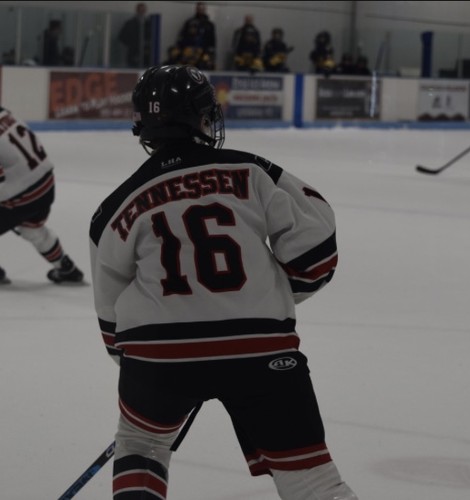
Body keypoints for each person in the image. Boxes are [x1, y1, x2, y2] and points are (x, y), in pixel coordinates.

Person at [89, 64, 358, 500]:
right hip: (260, 350)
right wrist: (268, 294)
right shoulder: (250, 170)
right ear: (203, 117)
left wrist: (155, 364)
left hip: (158, 357)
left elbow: (111, 315)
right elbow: (315, 246)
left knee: (140, 444)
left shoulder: (114, 207)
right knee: (311, 480)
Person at [0, 106, 84, 285]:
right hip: (46, 185)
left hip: (20, 194)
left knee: (20, 213)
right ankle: (66, 267)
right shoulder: (5, 113)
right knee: (33, 229)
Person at [174, 2, 216, 70]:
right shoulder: (190, 22)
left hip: (203, 51)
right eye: (199, 8)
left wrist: (209, 52)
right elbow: (183, 37)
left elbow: (212, 40)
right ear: (196, 9)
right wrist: (181, 48)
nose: (200, 10)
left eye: (202, 8)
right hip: (189, 50)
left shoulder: (209, 25)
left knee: (205, 63)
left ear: (205, 9)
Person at [118, 3, 152, 68]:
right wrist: (132, 44)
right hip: (133, 53)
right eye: (140, 10)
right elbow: (121, 37)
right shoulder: (130, 23)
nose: (142, 12)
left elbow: (152, 37)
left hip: (146, 53)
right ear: (137, 11)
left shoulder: (149, 23)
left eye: (143, 10)